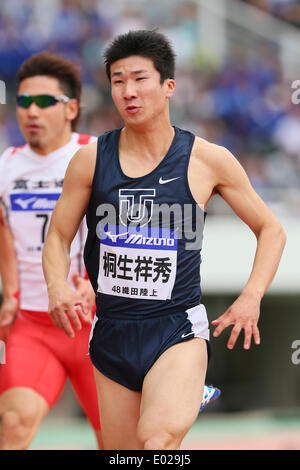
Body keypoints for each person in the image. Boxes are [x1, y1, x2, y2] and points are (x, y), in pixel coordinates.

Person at [42, 30, 286, 450]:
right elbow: (59, 235)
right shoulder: (90, 160)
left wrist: (251, 296)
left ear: (168, 86)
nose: (128, 92)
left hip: (177, 329)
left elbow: (272, 229)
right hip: (112, 331)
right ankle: (190, 397)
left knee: (157, 441)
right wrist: (57, 286)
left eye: (140, 79)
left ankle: (188, 389)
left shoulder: (207, 159)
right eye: (118, 81)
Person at [0, 52, 103, 450]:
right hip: (32, 326)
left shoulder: (98, 154)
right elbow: (4, 227)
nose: (31, 111)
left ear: (71, 108)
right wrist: (10, 291)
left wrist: (96, 282)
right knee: (12, 424)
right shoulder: (8, 165)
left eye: (45, 102)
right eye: (24, 102)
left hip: (97, 326)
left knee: (120, 444)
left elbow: (127, 228)